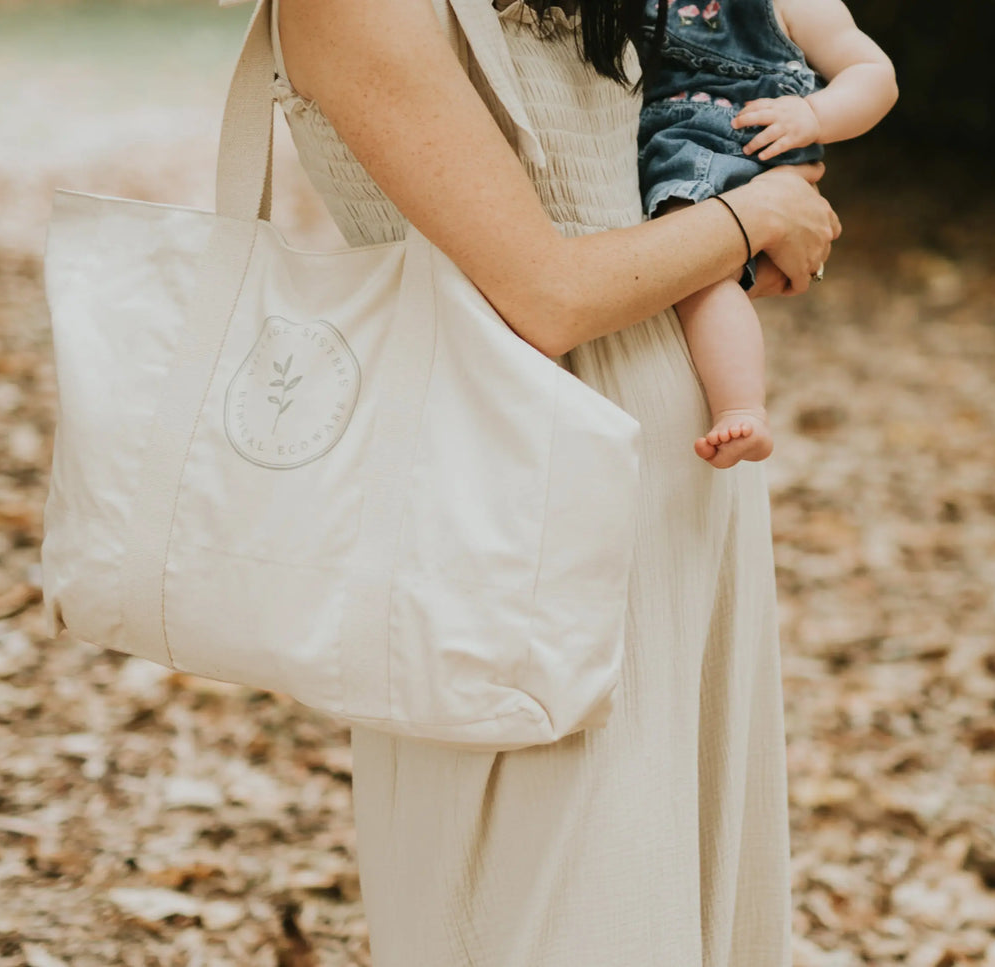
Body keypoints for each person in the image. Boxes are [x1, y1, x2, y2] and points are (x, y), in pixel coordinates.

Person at [269, 0, 842, 963]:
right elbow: (545, 294)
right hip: (496, 493)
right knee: (541, 893)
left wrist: (733, 198)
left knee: (678, 880)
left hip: (676, 485)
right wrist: (752, 215)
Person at [638, 0, 898, 467]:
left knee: (699, 274)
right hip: (655, 148)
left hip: (730, 147)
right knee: (694, 276)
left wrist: (815, 114)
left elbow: (873, 73)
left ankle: (741, 408)